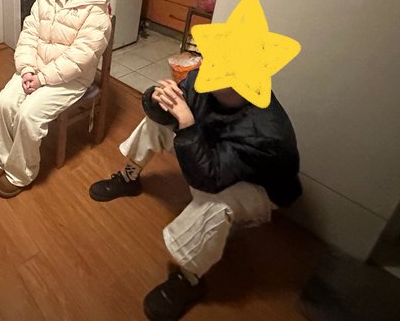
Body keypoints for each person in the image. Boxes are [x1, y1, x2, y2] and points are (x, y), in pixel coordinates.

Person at [89, 69, 301, 320]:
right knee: (157, 123)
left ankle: (189, 279)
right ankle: (128, 178)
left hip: (258, 188)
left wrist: (188, 124)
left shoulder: (266, 133)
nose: (208, 68)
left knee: (216, 202)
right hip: (214, 155)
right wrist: (156, 99)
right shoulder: (206, 77)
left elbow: (208, 180)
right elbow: (166, 115)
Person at [0, 0, 112, 198]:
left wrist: (43, 78)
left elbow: (82, 56)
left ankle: (20, 173)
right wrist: (27, 69)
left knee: (28, 114)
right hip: (36, 68)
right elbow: (29, 33)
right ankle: (2, 158)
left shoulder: (98, 5)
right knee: (4, 103)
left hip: (72, 77)